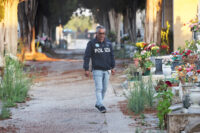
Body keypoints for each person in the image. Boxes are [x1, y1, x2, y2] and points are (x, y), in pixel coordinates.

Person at [83, 25, 115, 113]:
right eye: (100, 33)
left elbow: (111, 56)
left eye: (103, 33)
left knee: (104, 89)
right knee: (99, 88)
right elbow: (87, 56)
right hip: (97, 70)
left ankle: (98, 103)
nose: (102, 35)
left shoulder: (108, 43)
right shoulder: (91, 43)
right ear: (96, 33)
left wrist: (113, 67)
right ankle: (101, 105)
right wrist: (86, 68)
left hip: (107, 70)